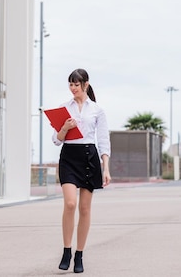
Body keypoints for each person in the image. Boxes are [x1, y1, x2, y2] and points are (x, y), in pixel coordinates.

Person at [51, 68, 111, 273]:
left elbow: (103, 141)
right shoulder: (63, 108)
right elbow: (56, 140)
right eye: (70, 84)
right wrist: (66, 128)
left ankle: (79, 255)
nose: (73, 88)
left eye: (76, 84)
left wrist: (106, 169)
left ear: (86, 84)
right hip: (69, 157)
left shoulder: (97, 110)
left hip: (89, 158)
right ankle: (66, 250)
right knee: (70, 203)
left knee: (84, 209)